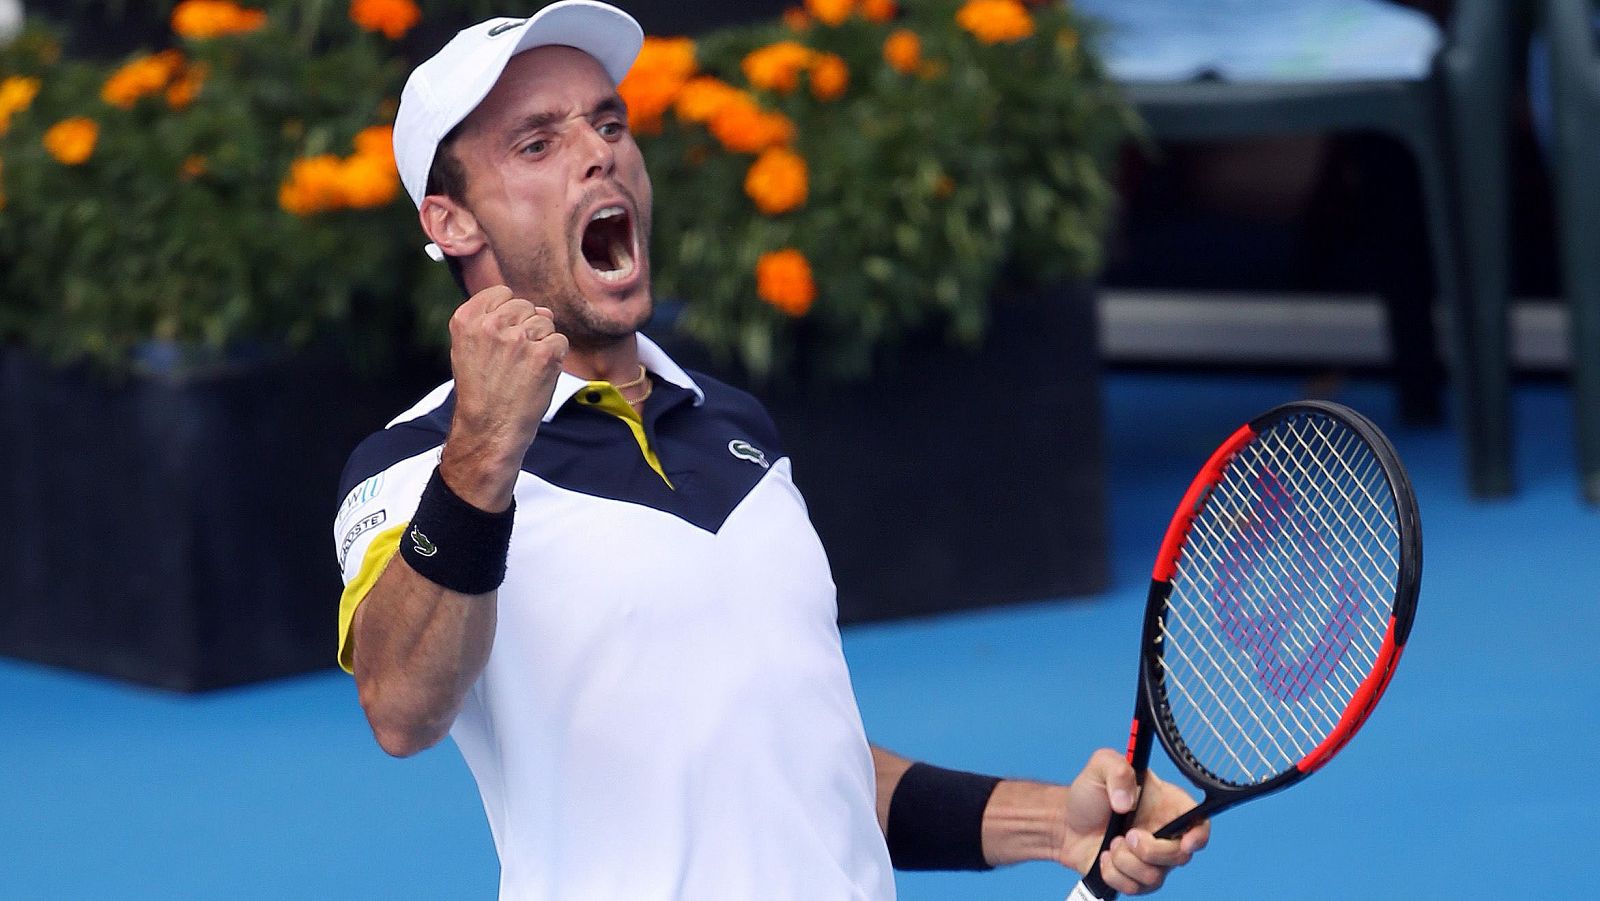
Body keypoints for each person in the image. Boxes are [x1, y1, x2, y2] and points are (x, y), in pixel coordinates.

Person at [332, 2, 1209, 897]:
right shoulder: (415, 465)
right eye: (536, 144)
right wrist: (483, 454)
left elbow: (805, 766)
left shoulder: (733, 425)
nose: (600, 152)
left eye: (608, 122)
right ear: (451, 221)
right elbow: (400, 707)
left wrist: (1052, 822)